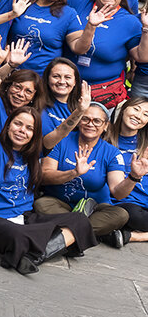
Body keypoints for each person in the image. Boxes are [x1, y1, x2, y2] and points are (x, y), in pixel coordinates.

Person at [0, 65, 97, 274]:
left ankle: (36, 254)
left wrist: (80, 111)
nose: (22, 131)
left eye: (29, 128)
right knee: (18, 236)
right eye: (18, 124)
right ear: (8, 126)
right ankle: (52, 246)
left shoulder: (35, 154)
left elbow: (61, 131)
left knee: (79, 220)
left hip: (24, 217)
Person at [35, 101, 132, 238]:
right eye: (85, 118)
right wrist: (73, 173)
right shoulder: (61, 141)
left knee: (121, 215)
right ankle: (85, 235)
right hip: (60, 203)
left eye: (97, 121)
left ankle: (67, 233)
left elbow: (118, 193)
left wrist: (134, 176)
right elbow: (44, 177)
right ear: (78, 121)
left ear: (105, 126)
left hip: (94, 208)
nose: (90, 124)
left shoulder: (112, 153)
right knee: (41, 204)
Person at [67, 0, 148, 108]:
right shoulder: (79, 3)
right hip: (65, 86)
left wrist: (146, 28)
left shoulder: (130, 22)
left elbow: (142, 56)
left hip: (102, 95)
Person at [7, 0, 95, 75]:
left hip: (43, 79)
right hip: (12, 73)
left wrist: (91, 26)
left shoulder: (68, 14)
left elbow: (79, 48)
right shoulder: (22, 2)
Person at [107, 97, 148, 246]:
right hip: (124, 203)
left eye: (146, 114)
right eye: (136, 109)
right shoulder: (105, 138)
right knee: (136, 216)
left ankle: (134, 236)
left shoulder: (145, 144)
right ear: (124, 109)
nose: (139, 116)